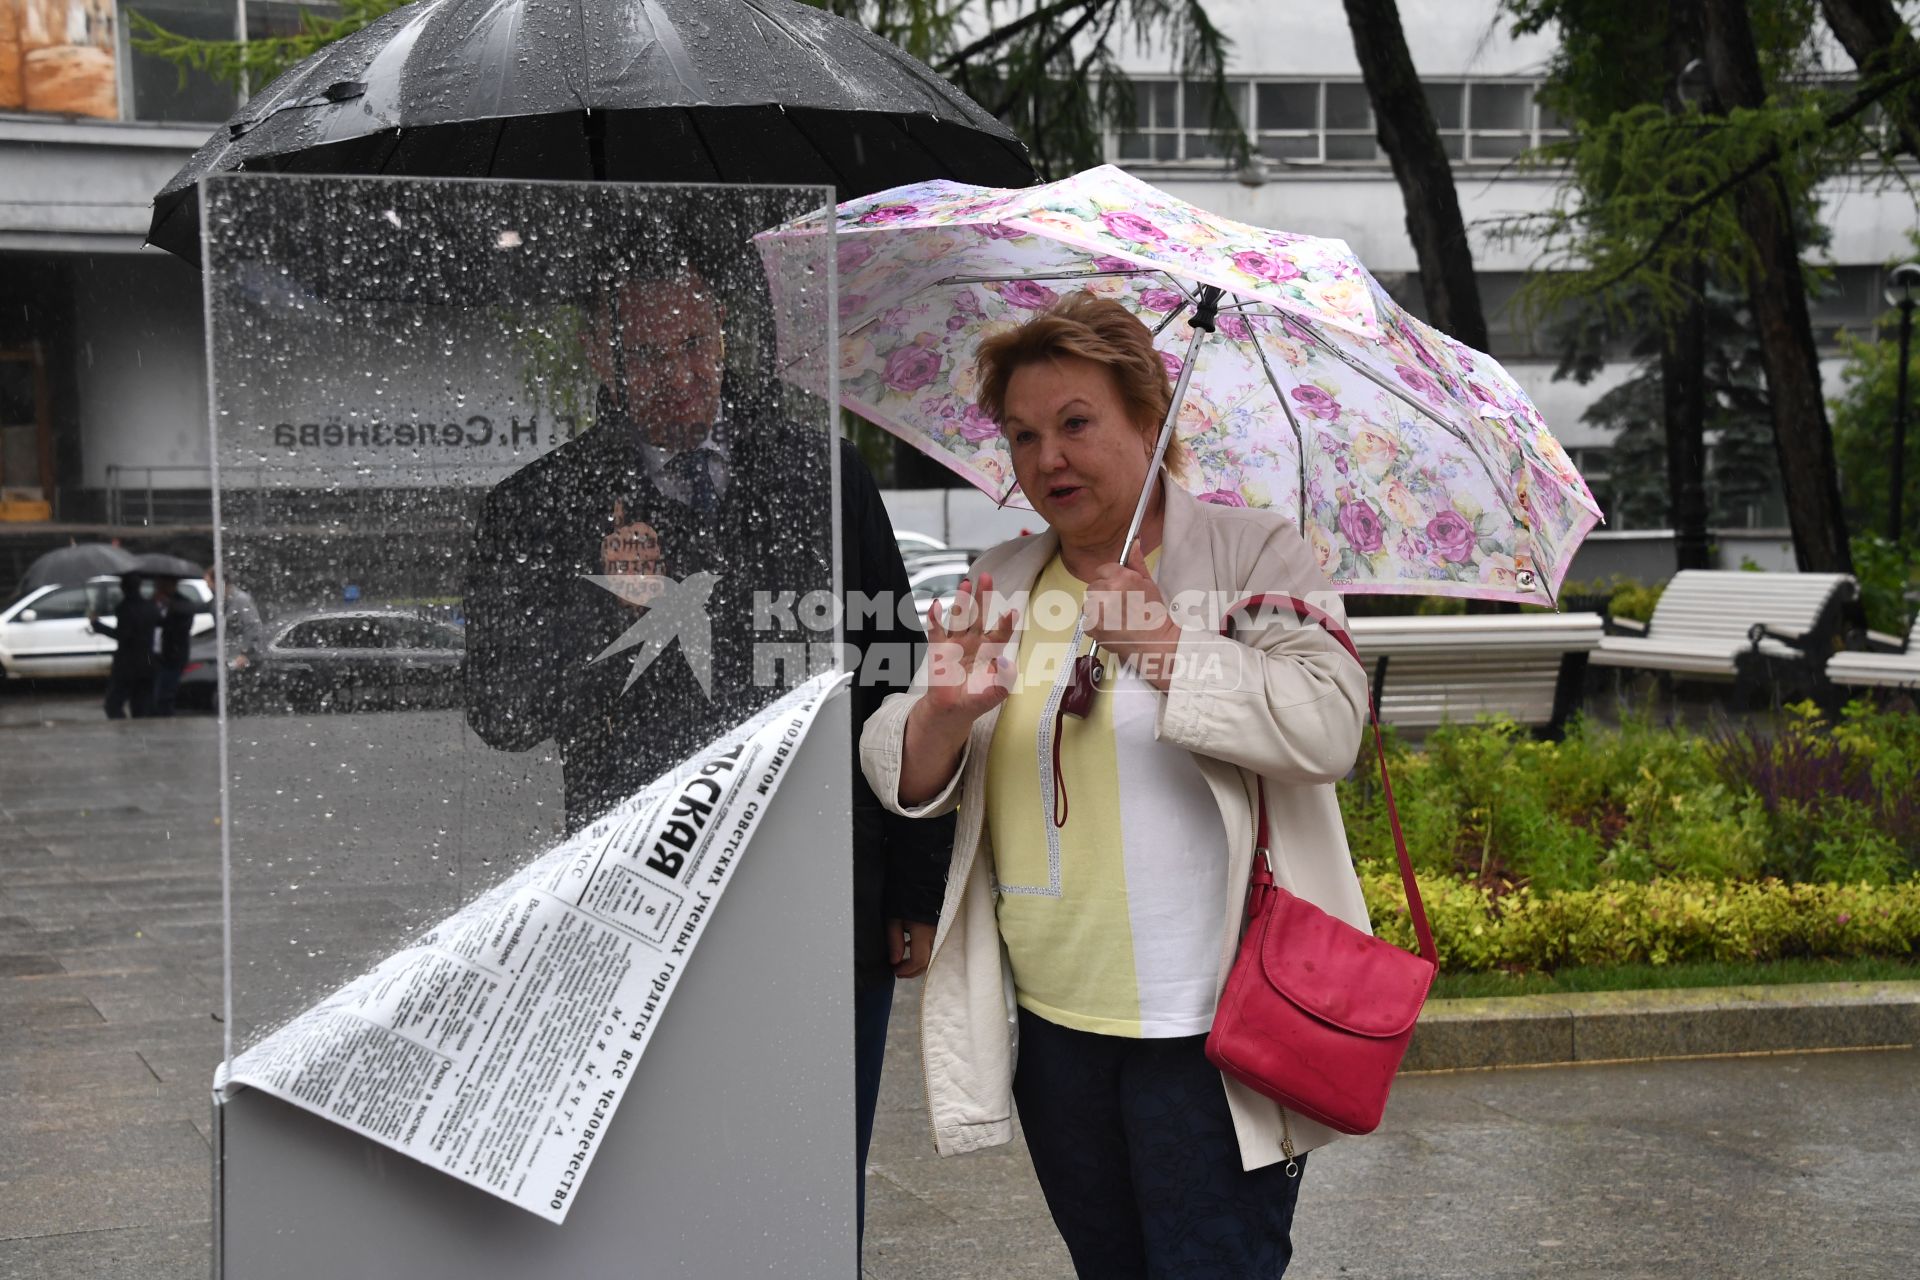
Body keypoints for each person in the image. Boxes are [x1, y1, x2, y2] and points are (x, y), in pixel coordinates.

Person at [859, 292, 1371, 1278]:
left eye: (1076, 422)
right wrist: (943, 713)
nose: (1047, 456)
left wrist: (1170, 647)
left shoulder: (1251, 552)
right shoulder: (1005, 575)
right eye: (1023, 433)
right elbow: (897, 764)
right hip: (1057, 1034)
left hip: (1209, 1033)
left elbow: (1330, 722)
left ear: (1149, 416)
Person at [462, 264, 952, 1244]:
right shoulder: (542, 502)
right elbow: (503, 708)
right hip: (639, 896)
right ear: (602, 357)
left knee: (815, 1176)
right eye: (649, 353)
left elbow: (895, 676)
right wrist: (609, 613)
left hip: (824, 892)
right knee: (655, 1180)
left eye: (698, 346)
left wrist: (913, 887)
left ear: (726, 337)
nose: (683, 375)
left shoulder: (823, 473)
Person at [91, 573, 158, 720]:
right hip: (146, 660)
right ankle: (141, 734)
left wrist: (98, 625)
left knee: (113, 704)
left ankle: (128, 732)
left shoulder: (125, 608)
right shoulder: (150, 607)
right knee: (141, 705)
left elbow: (123, 635)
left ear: (123, 588)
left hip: (127, 662)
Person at [148, 576, 199, 717]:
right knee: (154, 695)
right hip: (156, 655)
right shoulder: (154, 602)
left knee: (164, 695)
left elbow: (181, 624)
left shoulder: (181, 603)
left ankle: (167, 718)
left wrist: (167, 604)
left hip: (173, 655)